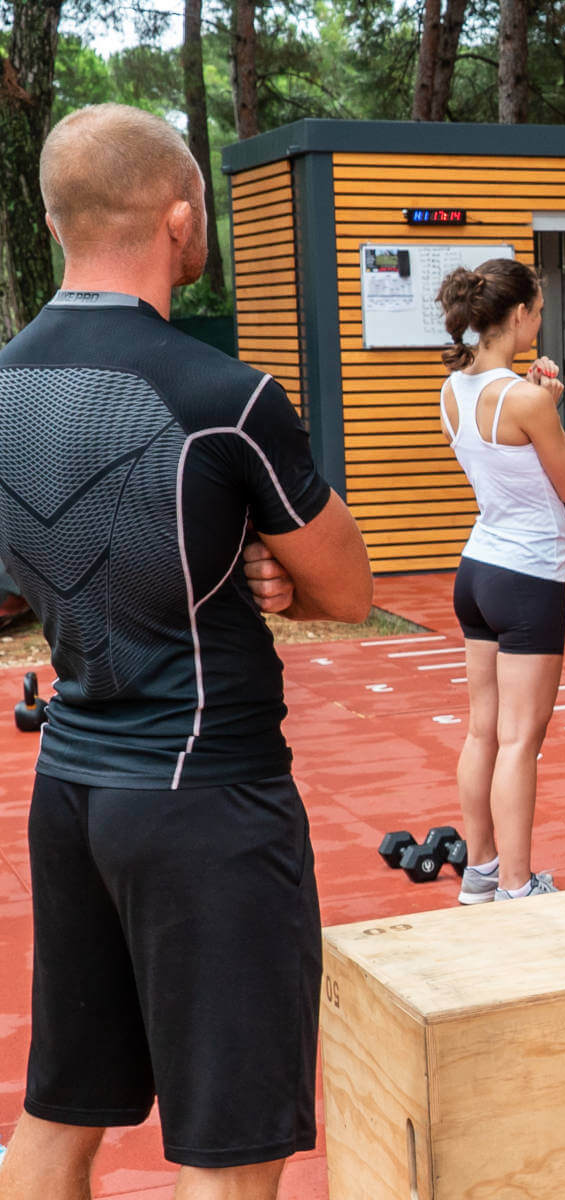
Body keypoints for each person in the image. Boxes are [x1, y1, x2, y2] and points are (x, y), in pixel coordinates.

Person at [0, 104, 372, 1200]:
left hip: (69, 788)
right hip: (204, 799)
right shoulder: (227, 398)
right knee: (227, 1150)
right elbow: (347, 590)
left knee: (57, 1118)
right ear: (178, 218)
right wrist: (265, 561)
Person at [435, 260, 565, 903]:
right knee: (521, 740)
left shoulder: (451, 389)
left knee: (482, 731)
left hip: (477, 570)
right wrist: (548, 405)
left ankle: (481, 871)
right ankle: (518, 883)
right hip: (525, 576)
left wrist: (539, 404)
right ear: (518, 315)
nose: (542, 318)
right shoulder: (524, 399)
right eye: (540, 309)